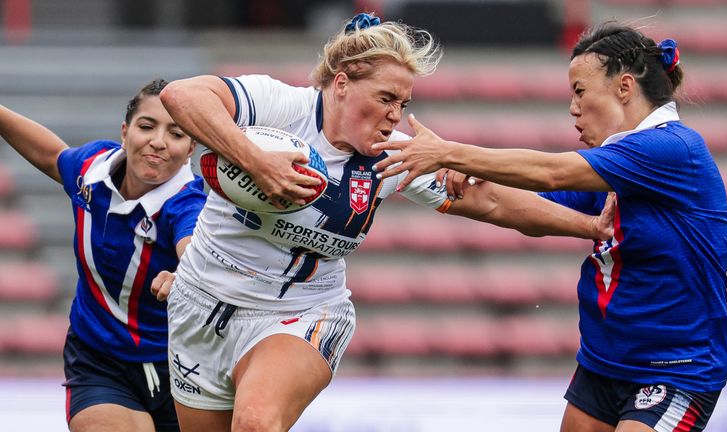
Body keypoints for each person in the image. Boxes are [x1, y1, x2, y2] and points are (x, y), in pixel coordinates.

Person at [155, 13, 617, 432]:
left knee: (256, 421)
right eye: (385, 98)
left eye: (403, 102)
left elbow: (492, 203)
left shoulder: (391, 156)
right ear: (340, 85)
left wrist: (589, 227)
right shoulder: (279, 105)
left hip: (301, 314)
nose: (395, 114)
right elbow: (181, 95)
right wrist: (256, 162)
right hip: (200, 302)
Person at [372, 22, 727, 432]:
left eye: (580, 92)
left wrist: (450, 153)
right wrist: (433, 174)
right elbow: (508, 205)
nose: (573, 109)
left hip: (673, 369)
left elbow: (551, 173)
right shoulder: (615, 162)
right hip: (604, 362)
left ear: (625, 88)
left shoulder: (671, 149)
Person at [0, 79, 207, 432]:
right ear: (125, 132)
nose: (158, 141)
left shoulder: (188, 203)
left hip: (185, 369)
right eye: (146, 126)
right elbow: (53, 157)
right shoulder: (93, 169)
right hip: (99, 360)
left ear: (190, 149)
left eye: (175, 133)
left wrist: (187, 275)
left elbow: (193, 248)